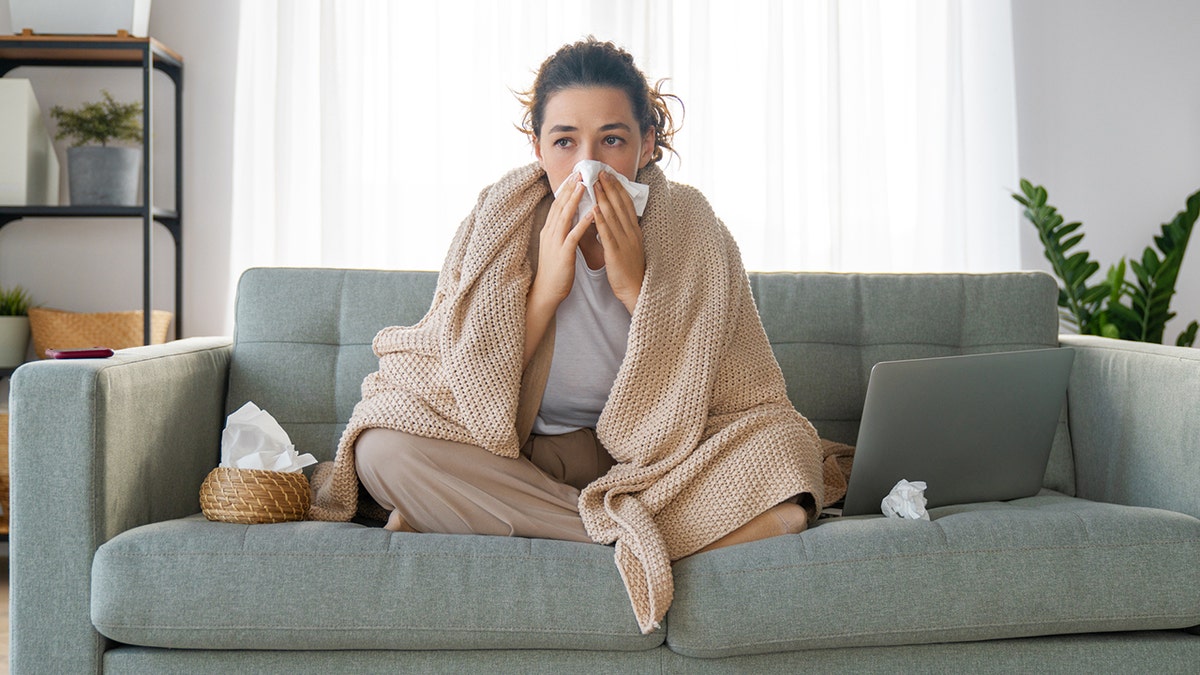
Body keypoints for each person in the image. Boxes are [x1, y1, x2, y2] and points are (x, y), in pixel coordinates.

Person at [310, 37, 825, 633]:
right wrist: (546, 290)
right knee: (383, 450)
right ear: (536, 147)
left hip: (656, 460)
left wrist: (637, 289)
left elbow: (731, 389)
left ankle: (478, 518)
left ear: (646, 145)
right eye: (564, 142)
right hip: (524, 451)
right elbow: (467, 386)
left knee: (789, 453)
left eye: (612, 139)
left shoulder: (691, 225)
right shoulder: (500, 216)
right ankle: (640, 539)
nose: (589, 163)